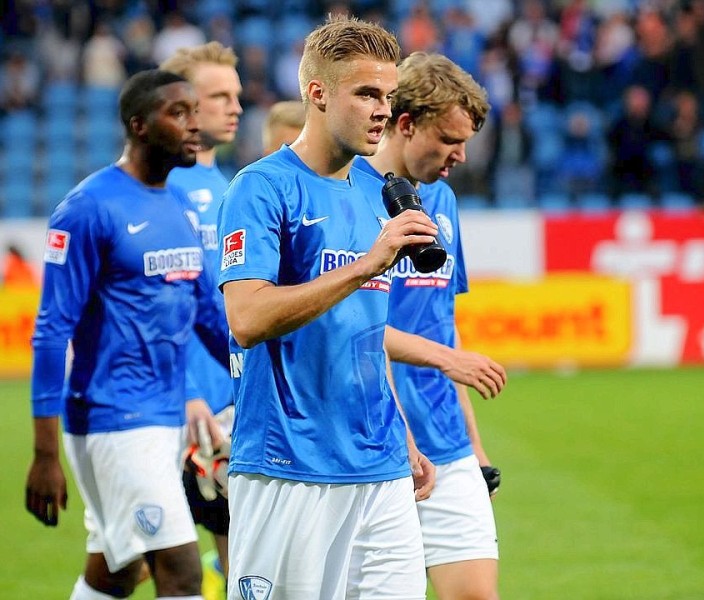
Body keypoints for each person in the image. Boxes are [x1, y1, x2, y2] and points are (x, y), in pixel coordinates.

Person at [217, 16, 437, 599]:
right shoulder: (260, 188)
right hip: (289, 466)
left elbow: (366, 329)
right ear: (317, 93)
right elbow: (247, 319)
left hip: (382, 466)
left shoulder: (376, 190)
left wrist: (405, 437)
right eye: (366, 94)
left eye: (388, 96)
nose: (382, 111)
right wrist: (367, 263)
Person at [24, 69, 230, 600]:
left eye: (194, 111)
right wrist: (45, 453)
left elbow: (210, 317)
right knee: (182, 570)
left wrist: (258, 380)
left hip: (165, 419)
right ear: (139, 126)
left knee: (117, 571)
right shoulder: (88, 207)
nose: (195, 125)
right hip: (113, 419)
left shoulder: (179, 208)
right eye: (178, 113)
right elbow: (50, 333)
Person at [354, 51, 506, 600]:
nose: (460, 156)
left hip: (447, 444)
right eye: (448, 140)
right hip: (376, 443)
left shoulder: (442, 199)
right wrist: (445, 364)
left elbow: (444, 325)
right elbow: (358, 328)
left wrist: (475, 446)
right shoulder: (352, 197)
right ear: (405, 122)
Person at [160, 41, 242, 596]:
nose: (234, 106)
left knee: (241, 554)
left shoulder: (230, 185)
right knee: (153, 562)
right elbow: (162, 305)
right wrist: (189, 390)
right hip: (179, 407)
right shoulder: (163, 188)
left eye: (236, 95)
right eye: (219, 96)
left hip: (230, 401)